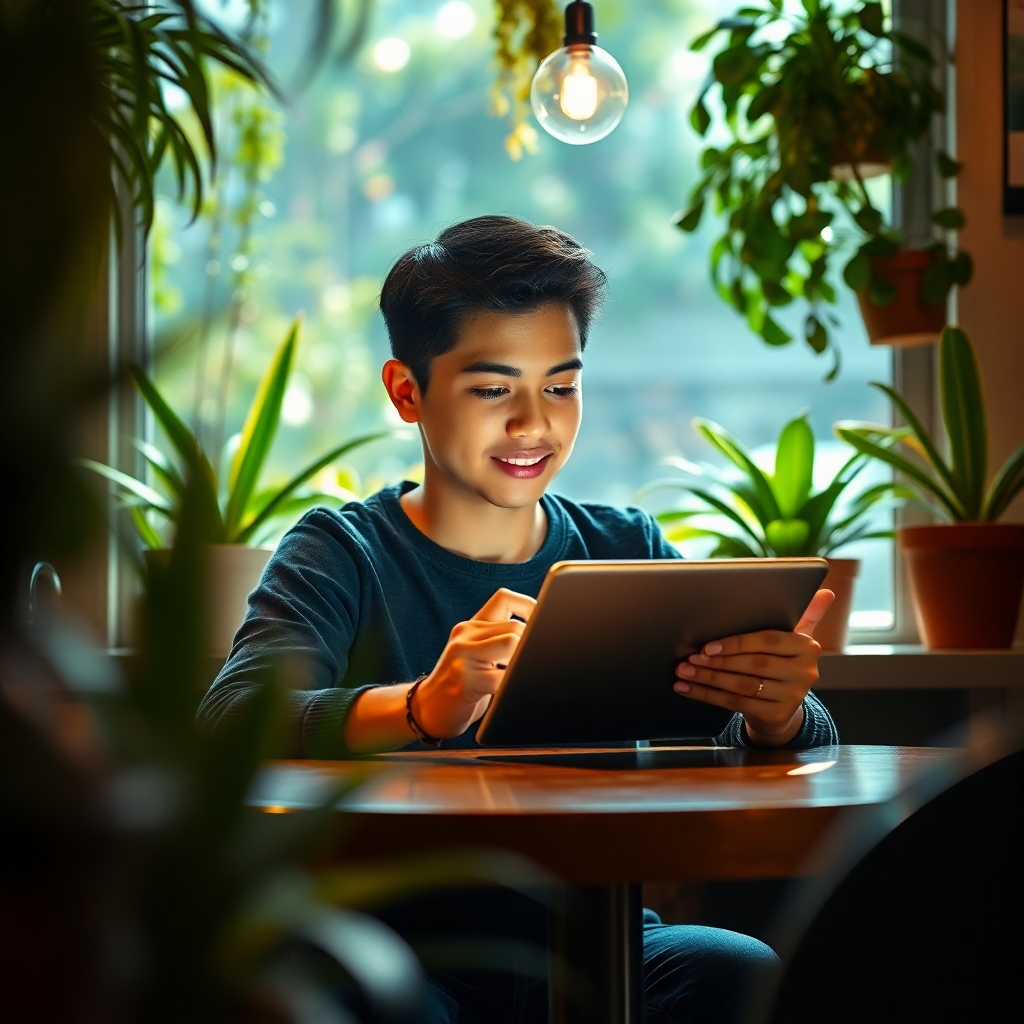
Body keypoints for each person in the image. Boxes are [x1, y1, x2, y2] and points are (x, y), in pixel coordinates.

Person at [200, 215, 838, 1023]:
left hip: (598, 944)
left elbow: (797, 736)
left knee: (737, 971)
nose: (534, 424)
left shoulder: (624, 547)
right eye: (494, 389)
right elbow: (228, 723)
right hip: (394, 956)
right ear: (407, 392)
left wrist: (776, 713)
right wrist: (418, 706)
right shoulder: (343, 552)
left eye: (561, 387)